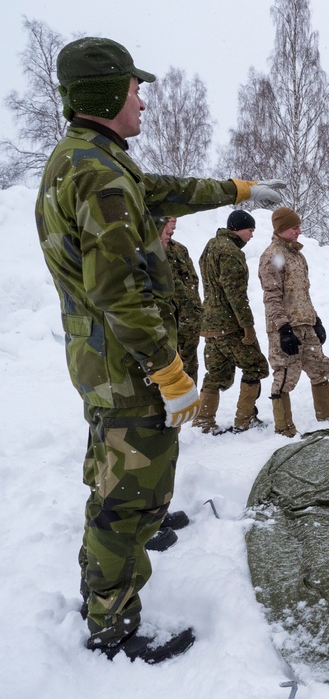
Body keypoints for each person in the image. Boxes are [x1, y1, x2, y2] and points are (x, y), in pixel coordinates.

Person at [36, 36, 283, 663]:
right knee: (123, 501)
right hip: (126, 366)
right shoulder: (97, 174)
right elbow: (118, 292)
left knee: (124, 475)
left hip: (110, 362)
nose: (143, 101)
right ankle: (111, 624)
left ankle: (140, 531)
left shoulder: (96, 158)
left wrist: (237, 188)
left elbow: (163, 190)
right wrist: (170, 371)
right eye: (135, 89)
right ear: (107, 94)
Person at [259, 206, 329, 434]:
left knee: (320, 368)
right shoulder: (272, 256)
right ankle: (283, 427)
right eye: (294, 227)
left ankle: (326, 414)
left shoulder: (298, 256)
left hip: (306, 325)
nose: (299, 230)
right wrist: (283, 328)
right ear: (282, 228)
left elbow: (303, 293)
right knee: (285, 376)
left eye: (298, 226)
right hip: (286, 328)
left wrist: (316, 320)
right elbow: (272, 297)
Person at [193, 210, 270, 434]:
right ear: (238, 228)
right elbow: (235, 294)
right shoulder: (231, 252)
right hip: (229, 324)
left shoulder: (211, 246)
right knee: (255, 365)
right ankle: (244, 420)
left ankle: (204, 422)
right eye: (250, 230)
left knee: (215, 373)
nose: (251, 236)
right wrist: (247, 326)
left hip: (209, 324)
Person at [158, 217, 202, 385]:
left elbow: (193, 284)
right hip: (167, 330)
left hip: (188, 327)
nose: (172, 225)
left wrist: (196, 313)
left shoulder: (180, 250)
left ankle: (192, 409)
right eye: (168, 218)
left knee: (190, 375)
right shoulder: (149, 253)